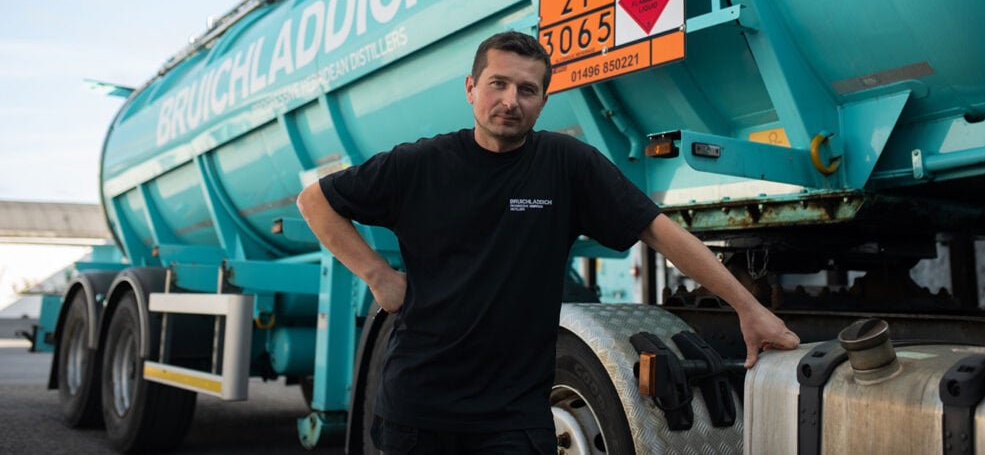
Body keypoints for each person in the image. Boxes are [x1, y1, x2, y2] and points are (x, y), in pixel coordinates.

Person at [297, 31, 800, 454]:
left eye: (527, 89)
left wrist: (747, 307)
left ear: (543, 99)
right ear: (471, 88)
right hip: (417, 412)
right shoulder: (418, 165)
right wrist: (378, 276)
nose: (510, 101)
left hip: (513, 418)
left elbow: (656, 228)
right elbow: (315, 202)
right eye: (497, 84)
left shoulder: (566, 165)